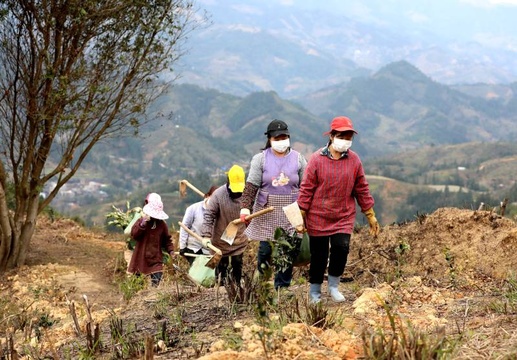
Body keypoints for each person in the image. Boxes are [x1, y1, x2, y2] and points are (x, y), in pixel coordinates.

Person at [297, 116, 380, 304]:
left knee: (341, 248)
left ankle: (334, 286)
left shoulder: (354, 160)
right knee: (319, 255)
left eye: (349, 136)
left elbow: (361, 188)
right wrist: (301, 213)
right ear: (332, 136)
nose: (345, 140)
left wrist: (370, 214)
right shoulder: (317, 160)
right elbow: (307, 188)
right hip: (318, 215)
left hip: (343, 215)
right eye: (342, 135)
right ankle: (315, 291)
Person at [240, 119, 307, 290]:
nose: (280, 141)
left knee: (287, 251)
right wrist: (245, 207)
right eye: (277, 138)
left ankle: (282, 289)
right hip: (266, 210)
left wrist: (306, 210)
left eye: (283, 137)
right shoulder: (260, 159)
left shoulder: (298, 159)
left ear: (288, 137)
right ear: (270, 139)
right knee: (266, 251)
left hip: (291, 211)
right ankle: (261, 287)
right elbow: (252, 185)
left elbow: (307, 186)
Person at [200, 165, 248, 286]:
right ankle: (221, 290)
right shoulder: (218, 195)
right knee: (222, 267)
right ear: (228, 181)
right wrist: (206, 235)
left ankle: (237, 289)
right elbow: (209, 215)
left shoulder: (247, 194)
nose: (237, 192)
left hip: (239, 238)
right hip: (221, 239)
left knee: (237, 264)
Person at [129, 193, 174, 286]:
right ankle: (138, 298)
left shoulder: (162, 225)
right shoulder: (141, 222)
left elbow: (167, 240)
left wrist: (171, 251)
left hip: (155, 258)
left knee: (156, 280)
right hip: (141, 257)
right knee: (138, 283)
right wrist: (142, 225)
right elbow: (134, 235)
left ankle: (153, 296)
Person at [179, 185, 218, 266]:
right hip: (193, 248)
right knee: (196, 272)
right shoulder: (193, 208)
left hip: (209, 250)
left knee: (208, 275)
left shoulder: (220, 212)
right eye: (213, 197)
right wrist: (182, 247)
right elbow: (185, 228)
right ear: (208, 195)